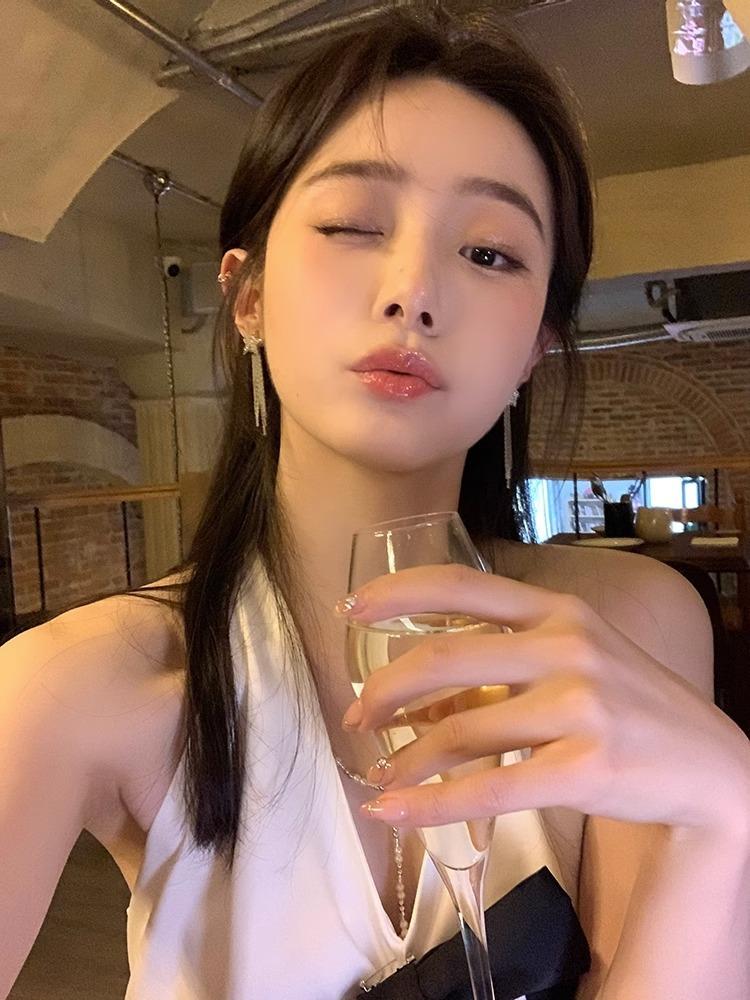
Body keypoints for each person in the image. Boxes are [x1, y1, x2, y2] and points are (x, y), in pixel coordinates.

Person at [2, 4, 749, 999]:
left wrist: (726, 812)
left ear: (536, 343)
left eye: (489, 252)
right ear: (248, 295)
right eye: (353, 225)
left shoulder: (629, 623)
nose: (413, 292)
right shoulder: (83, 684)